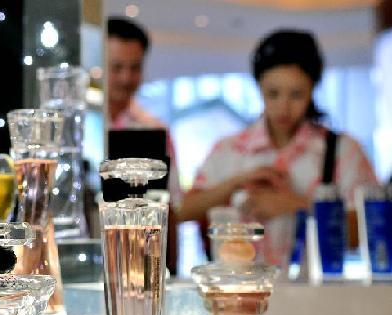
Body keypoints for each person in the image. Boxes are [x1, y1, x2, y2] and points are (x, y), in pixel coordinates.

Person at [177, 29, 377, 265]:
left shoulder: (343, 151)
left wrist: (295, 204)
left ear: (312, 89)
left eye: (296, 94)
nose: (283, 106)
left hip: (319, 294)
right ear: (259, 86)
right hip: (240, 290)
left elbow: (370, 230)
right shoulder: (230, 150)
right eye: (273, 94)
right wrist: (236, 183)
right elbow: (182, 212)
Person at [107, 17, 181, 273]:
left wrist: (170, 267)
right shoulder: (79, 126)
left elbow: (171, 208)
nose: (126, 78)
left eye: (135, 67)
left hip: (140, 263)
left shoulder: (155, 131)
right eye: (116, 67)